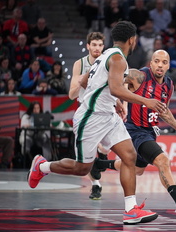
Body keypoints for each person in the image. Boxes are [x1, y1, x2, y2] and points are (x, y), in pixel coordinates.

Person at [27, 21, 167, 225]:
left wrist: (115, 102)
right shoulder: (118, 59)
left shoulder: (106, 55)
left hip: (107, 114)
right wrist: (146, 101)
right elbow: (115, 88)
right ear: (132, 40)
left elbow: (89, 82)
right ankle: (42, 166)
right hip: (91, 117)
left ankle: (131, 209)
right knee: (82, 169)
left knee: (129, 156)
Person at [91, 49, 176, 221]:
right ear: (151, 63)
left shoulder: (169, 85)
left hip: (150, 132)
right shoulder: (139, 76)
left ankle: (100, 164)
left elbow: (163, 111)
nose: (160, 65)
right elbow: (114, 82)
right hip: (134, 130)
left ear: (168, 66)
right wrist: (118, 101)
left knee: (138, 170)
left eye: (164, 62)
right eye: (157, 61)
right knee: (163, 161)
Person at [69, 31, 108, 200]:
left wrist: (123, 106)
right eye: (94, 45)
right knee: (85, 156)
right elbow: (71, 95)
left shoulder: (108, 62)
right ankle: (96, 185)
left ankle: (102, 152)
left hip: (103, 110)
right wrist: (82, 81)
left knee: (103, 150)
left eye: (100, 45)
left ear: (103, 47)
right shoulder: (80, 64)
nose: (97, 48)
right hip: (85, 111)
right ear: (88, 46)